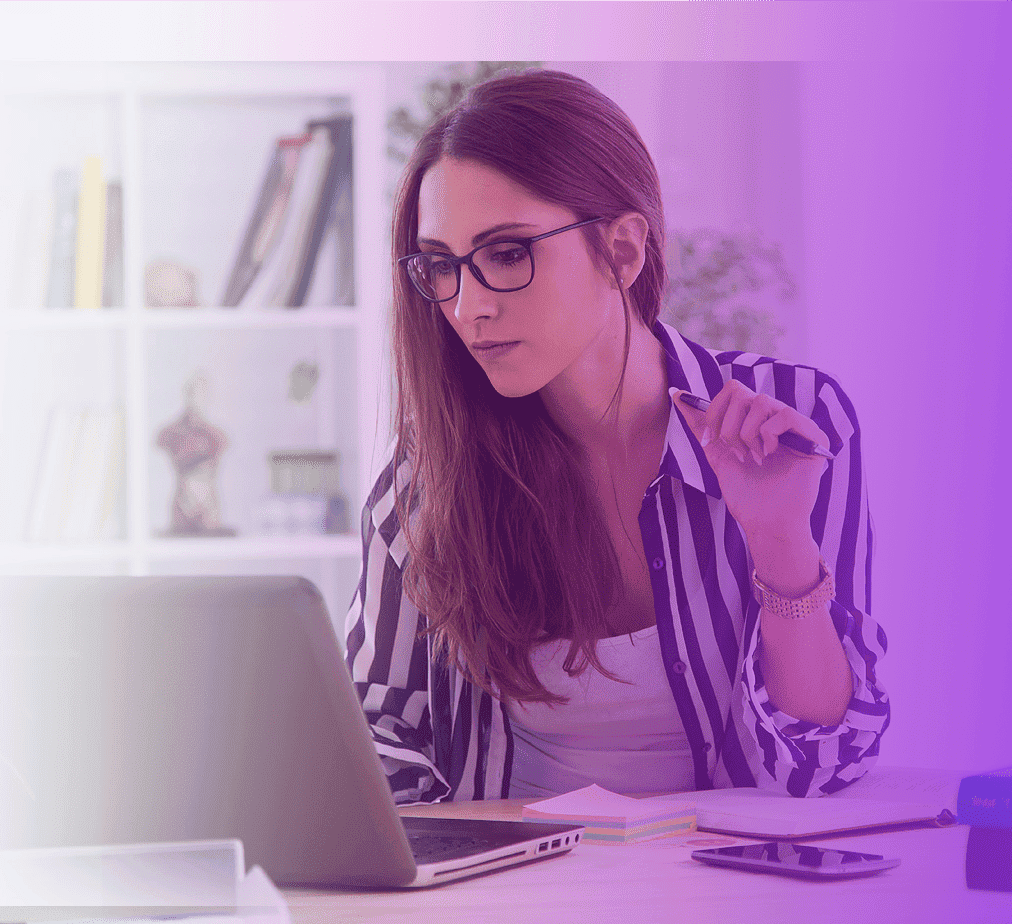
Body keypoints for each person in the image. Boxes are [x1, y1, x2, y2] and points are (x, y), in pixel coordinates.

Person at [346, 69, 889, 804]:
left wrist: (781, 542)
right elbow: (376, 733)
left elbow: (820, 766)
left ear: (623, 251)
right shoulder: (425, 478)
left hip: (725, 888)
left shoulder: (795, 421)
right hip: (512, 894)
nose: (467, 306)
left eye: (507, 253)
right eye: (440, 266)